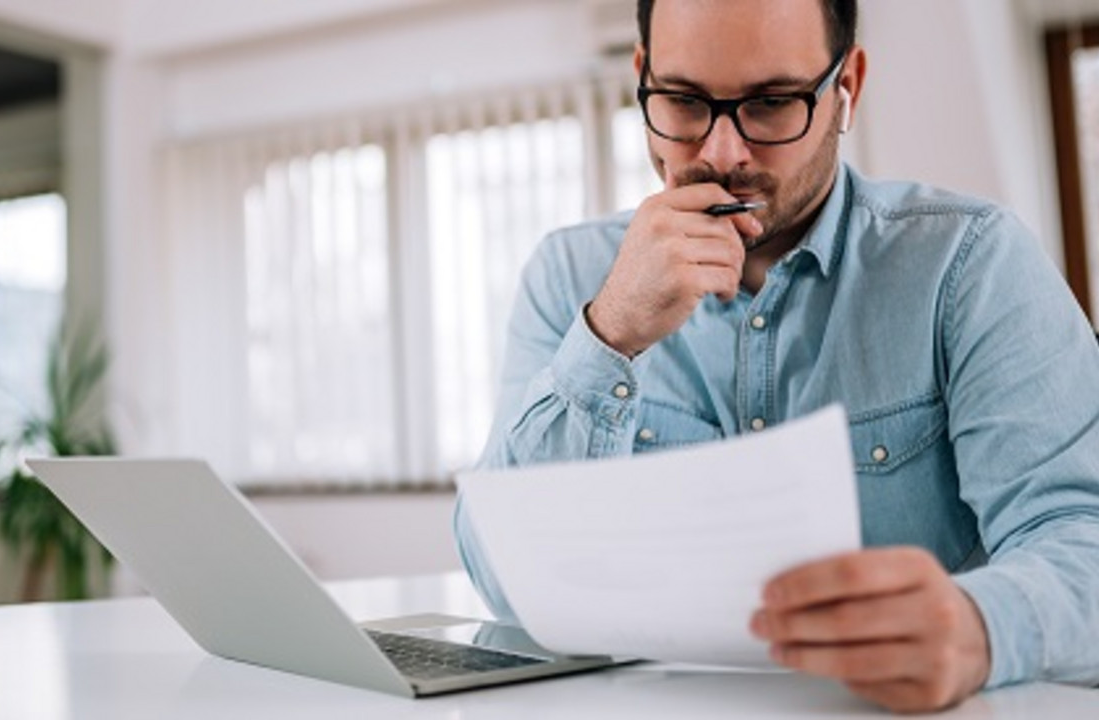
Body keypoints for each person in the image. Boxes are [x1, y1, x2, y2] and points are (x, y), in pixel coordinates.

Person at [453, 0, 1099, 713]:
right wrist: (611, 331)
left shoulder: (969, 264)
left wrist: (978, 628)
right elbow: (502, 576)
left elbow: (1081, 537)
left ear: (846, 85)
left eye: (770, 104)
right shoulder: (570, 278)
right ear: (642, 78)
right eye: (684, 101)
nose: (723, 153)